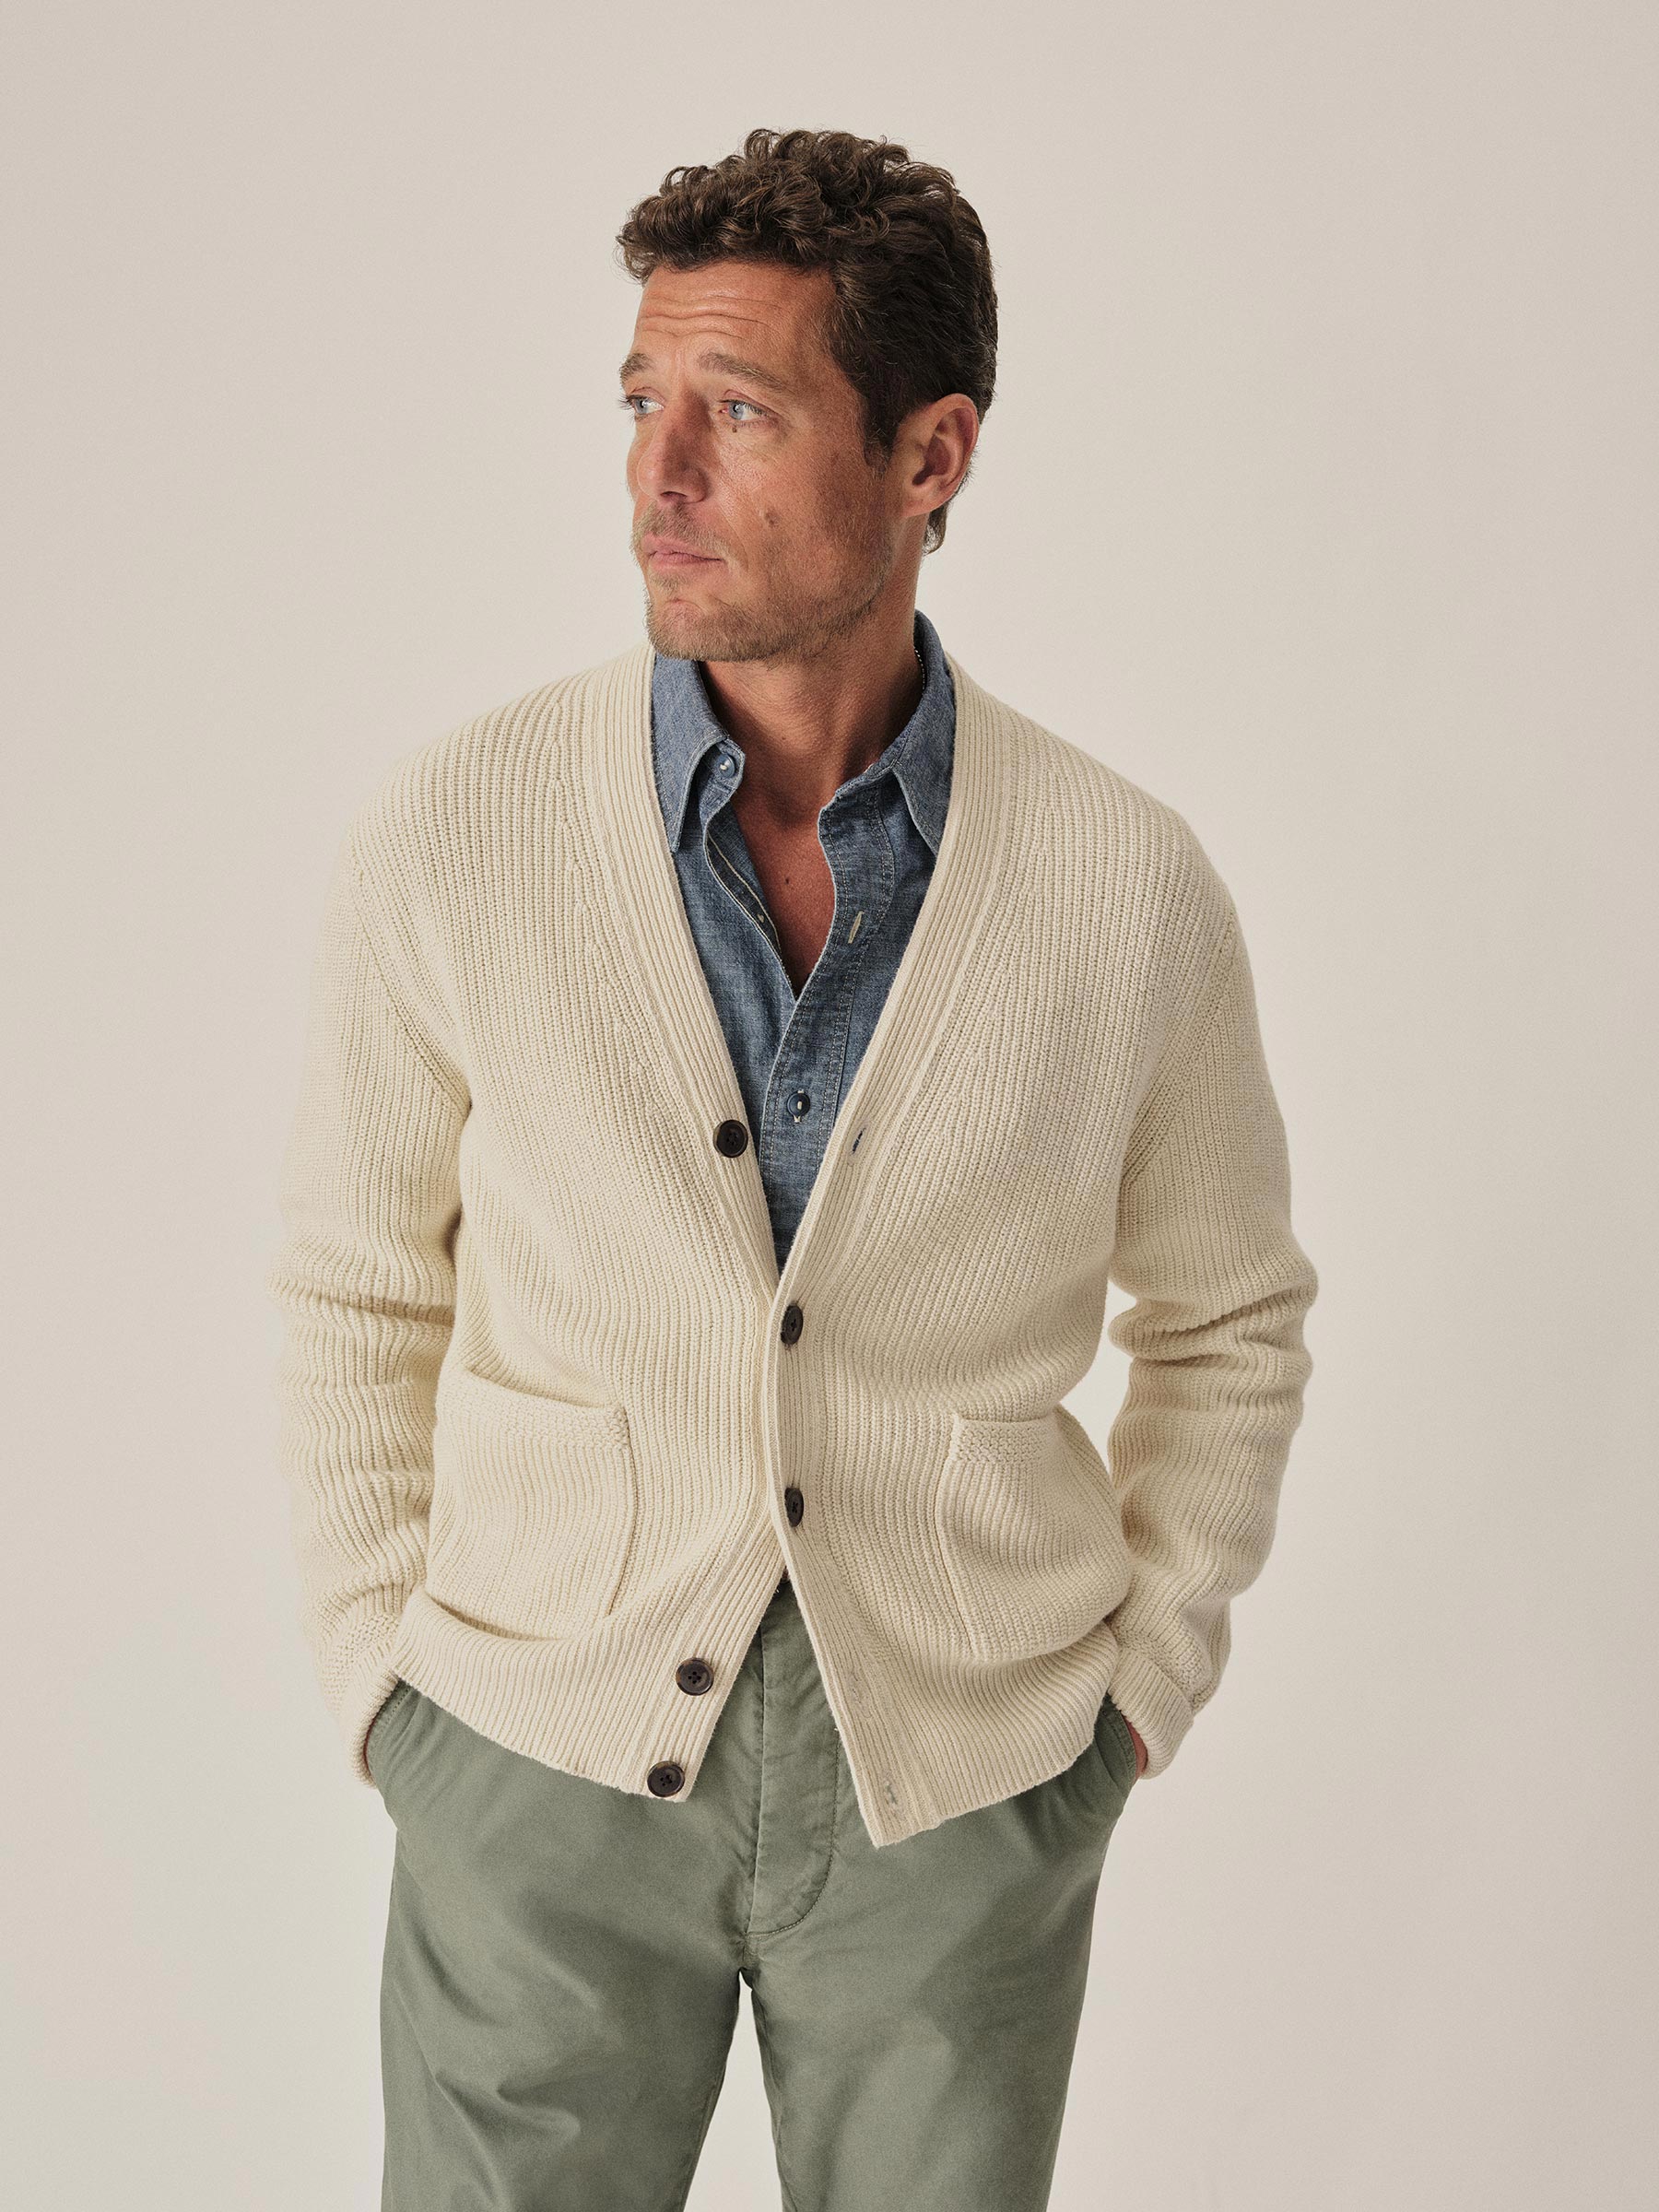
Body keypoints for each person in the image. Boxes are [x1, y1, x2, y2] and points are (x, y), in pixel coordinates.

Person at [267, 125, 1319, 2212]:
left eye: (737, 414)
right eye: (641, 404)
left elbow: (1229, 1319)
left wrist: (1132, 1697)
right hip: (536, 1750)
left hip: (959, 1776)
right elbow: (356, 1284)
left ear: (932, 455)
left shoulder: (1125, 889)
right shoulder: (458, 833)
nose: (656, 477)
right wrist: (394, 1688)